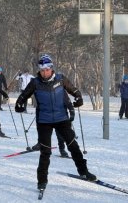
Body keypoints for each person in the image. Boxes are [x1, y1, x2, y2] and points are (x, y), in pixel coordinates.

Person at [15, 54, 96, 191]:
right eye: (42, 70)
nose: (44, 72)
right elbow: (22, 97)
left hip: (61, 119)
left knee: (73, 146)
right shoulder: (35, 82)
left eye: (47, 69)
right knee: (45, 152)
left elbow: (74, 90)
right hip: (44, 121)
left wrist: (79, 98)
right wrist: (19, 105)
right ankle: (42, 181)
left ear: (51, 68)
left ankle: (83, 171)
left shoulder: (61, 79)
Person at [31, 91, 74, 158]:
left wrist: (72, 111)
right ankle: (40, 144)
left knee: (60, 133)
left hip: (59, 115)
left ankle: (62, 149)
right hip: (47, 115)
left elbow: (68, 102)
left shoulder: (61, 90)